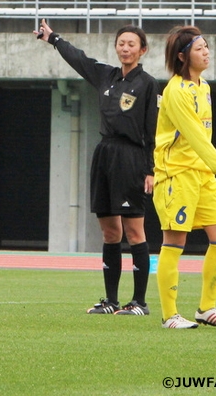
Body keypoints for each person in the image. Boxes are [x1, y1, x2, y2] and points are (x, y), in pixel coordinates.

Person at [35, 19, 159, 316]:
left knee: (134, 230)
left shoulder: (148, 83)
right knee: (109, 231)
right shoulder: (107, 76)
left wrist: (151, 169)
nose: (125, 48)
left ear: (142, 50)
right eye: (121, 43)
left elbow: (152, 130)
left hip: (131, 157)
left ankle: (139, 302)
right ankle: (111, 300)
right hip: (104, 154)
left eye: (131, 44)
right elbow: (79, 59)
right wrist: (54, 39)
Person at [154, 26, 216, 329]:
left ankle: (207, 308)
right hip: (177, 174)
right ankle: (170, 315)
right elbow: (198, 140)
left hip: (202, 174)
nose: (207, 52)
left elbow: (203, 143)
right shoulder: (176, 91)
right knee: (174, 241)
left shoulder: (205, 87)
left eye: (207, 47)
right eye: (200, 48)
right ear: (182, 56)